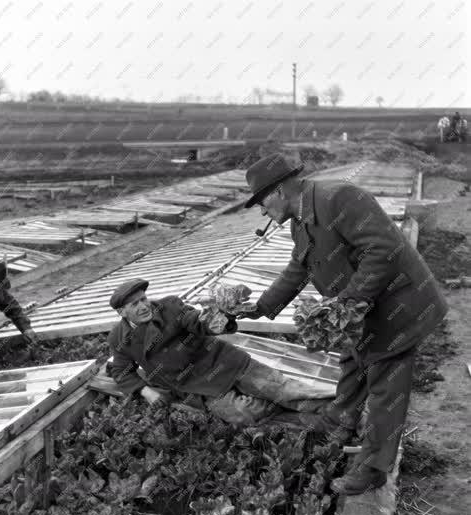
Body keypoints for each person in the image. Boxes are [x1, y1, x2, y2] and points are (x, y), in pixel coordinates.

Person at [240, 154, 448, 495]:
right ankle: (338, 424)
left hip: (399, 306)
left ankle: (373, 468)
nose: (262, 211)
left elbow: (384, 251)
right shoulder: (301, 221)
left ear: (278, 191)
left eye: (261, 201)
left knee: (385, 386)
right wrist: (260, 307)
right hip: (366, 312)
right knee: (353, 362)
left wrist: (348, 302)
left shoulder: (339, 198)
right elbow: (299, 269)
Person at [106, 278, 334, 428]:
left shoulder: (169, 306)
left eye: (143, 299)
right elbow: (120, 370)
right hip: (199, 386)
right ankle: (312, 418)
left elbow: (193, 319)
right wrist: (146, 391)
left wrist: (214, 321)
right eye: (135, 304)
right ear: (121, 311)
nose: (144, 306)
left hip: (227, 363)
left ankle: (344, 409)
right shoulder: (119, 338)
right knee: (244, 415)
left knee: (285, 390)